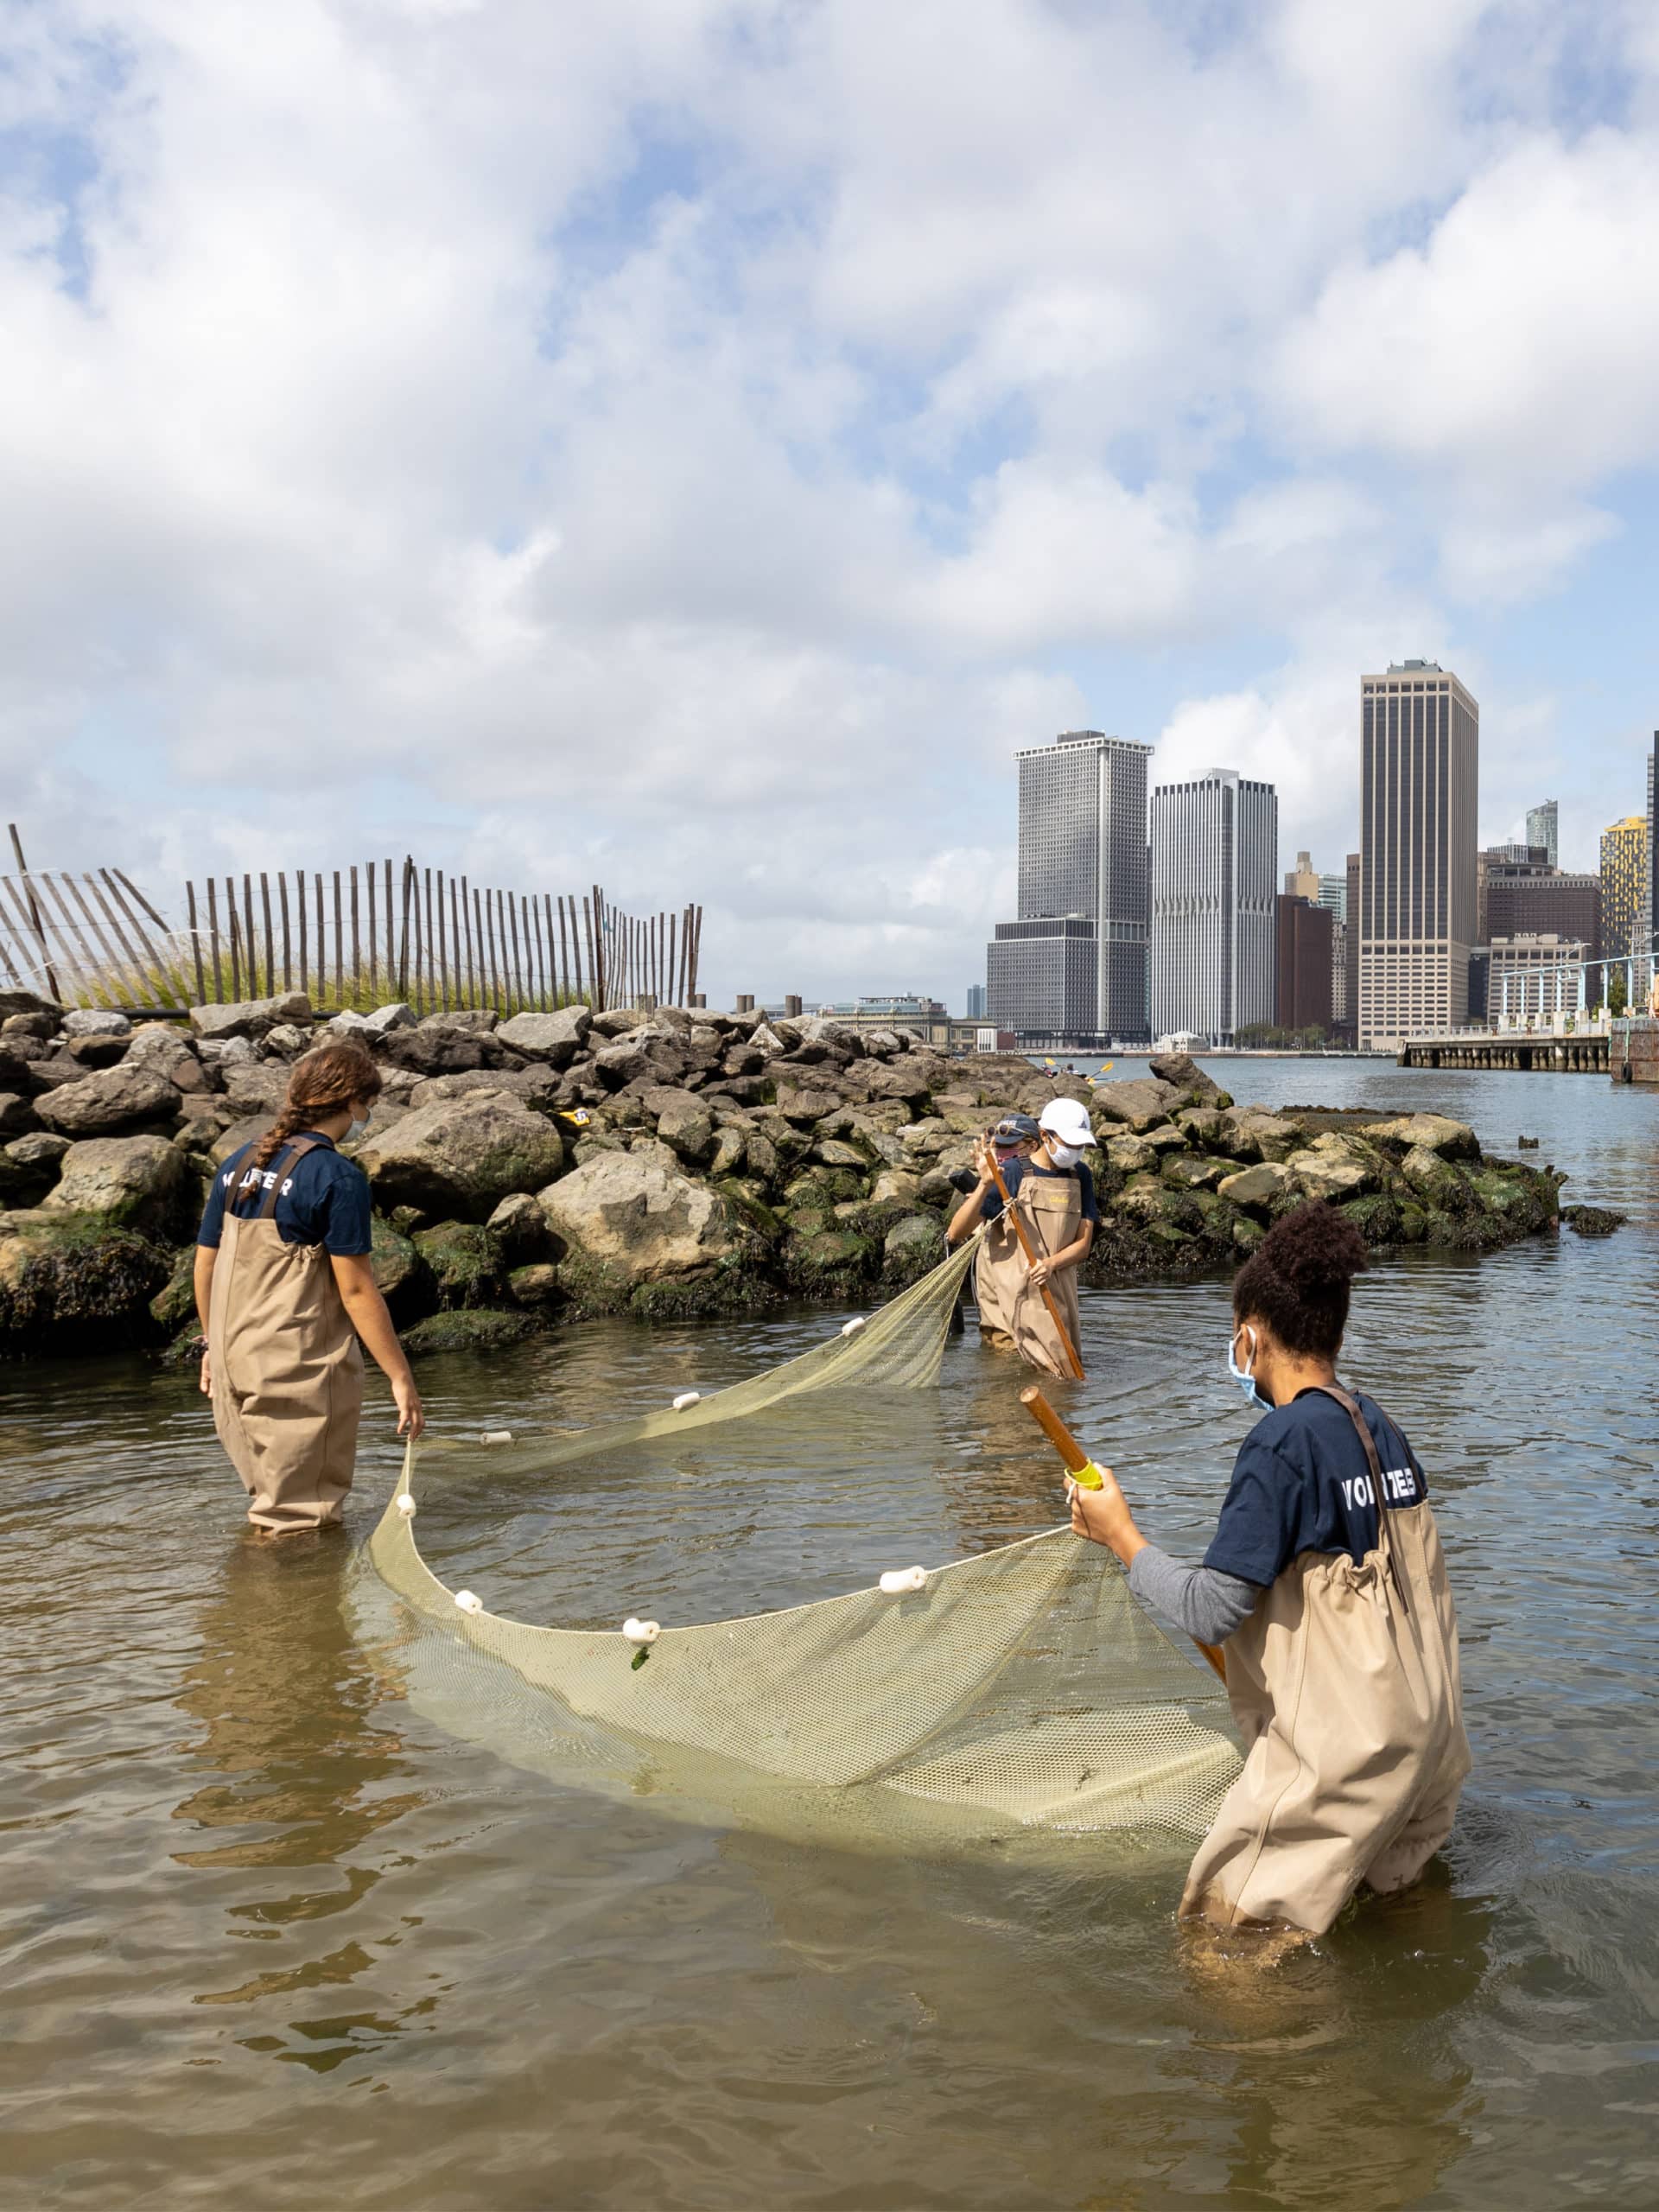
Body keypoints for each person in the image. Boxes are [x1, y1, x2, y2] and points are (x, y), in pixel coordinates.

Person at [1065, 1201, 1469, 1936]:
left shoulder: (1280, 1443)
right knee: (1402, 1916)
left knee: (1226, 1945)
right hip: (1428, 1740)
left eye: (1235, 1338)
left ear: (1250, 1336)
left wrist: (1121, 1536)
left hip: (1347, 1759)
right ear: (1337, 1329)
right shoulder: (1380, 1426)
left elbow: (1212, 1611)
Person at [194, 1039, 424, 1537]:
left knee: (270, 1512)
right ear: (352, 1103)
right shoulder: (338, 1177)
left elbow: (206, 1262)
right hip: (293, 1371)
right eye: (370, 1104)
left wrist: (211, 1345)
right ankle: (293, 1614)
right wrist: (400, 1377)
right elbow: (357, 1291)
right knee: (299, 1528)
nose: (368, 1114)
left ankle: (245, 1614)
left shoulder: (237, 1162)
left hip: (234, 1367)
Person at [946, 1097, 1099, 1375]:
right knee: (1006, 1385)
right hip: (1008, 1302)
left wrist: (1051, 1264)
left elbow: (1084, 1245)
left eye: (1081, 1145)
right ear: (1044, 1136)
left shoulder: (1081, 1175)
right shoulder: (1014, 1172)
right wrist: (985, 1184)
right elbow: (956, 1232)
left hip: (1056, 1295)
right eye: (1069, 1143)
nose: (1075, 1150)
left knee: (1062, 1385)